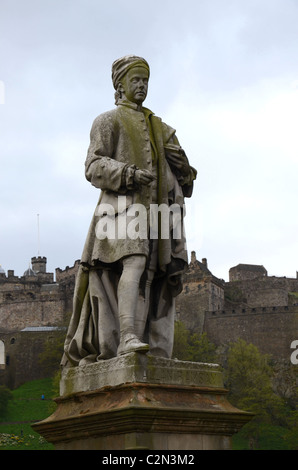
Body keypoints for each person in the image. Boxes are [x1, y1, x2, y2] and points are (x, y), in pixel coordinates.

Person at [61, 55, 196, 366]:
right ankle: (126, 336)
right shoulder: (107, 121)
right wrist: (128, 173)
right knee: (134, 262)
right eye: (135, 80)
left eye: (145, 81)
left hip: (157, 212)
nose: (141, 86)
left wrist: (181, 166)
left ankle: (143, 339)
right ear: (119, 85)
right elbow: (93, 166)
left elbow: (183, 172)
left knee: (152, 273)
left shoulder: (159, 127)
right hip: (120, 209)